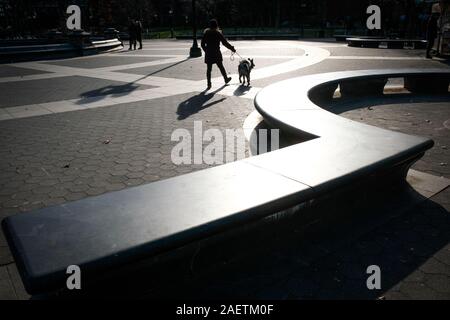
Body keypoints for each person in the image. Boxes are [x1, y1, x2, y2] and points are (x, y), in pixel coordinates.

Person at [201, 19, 236, 90]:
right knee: (221, 67)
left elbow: (202, 44)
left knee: (209, 69)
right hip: (216, 52)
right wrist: (232, 48)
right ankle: (226, 79)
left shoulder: (206, 33)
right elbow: (224, 43)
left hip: (209, 53)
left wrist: (206, 50)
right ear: (216, 25)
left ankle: (209, 84)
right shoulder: (218, 33)